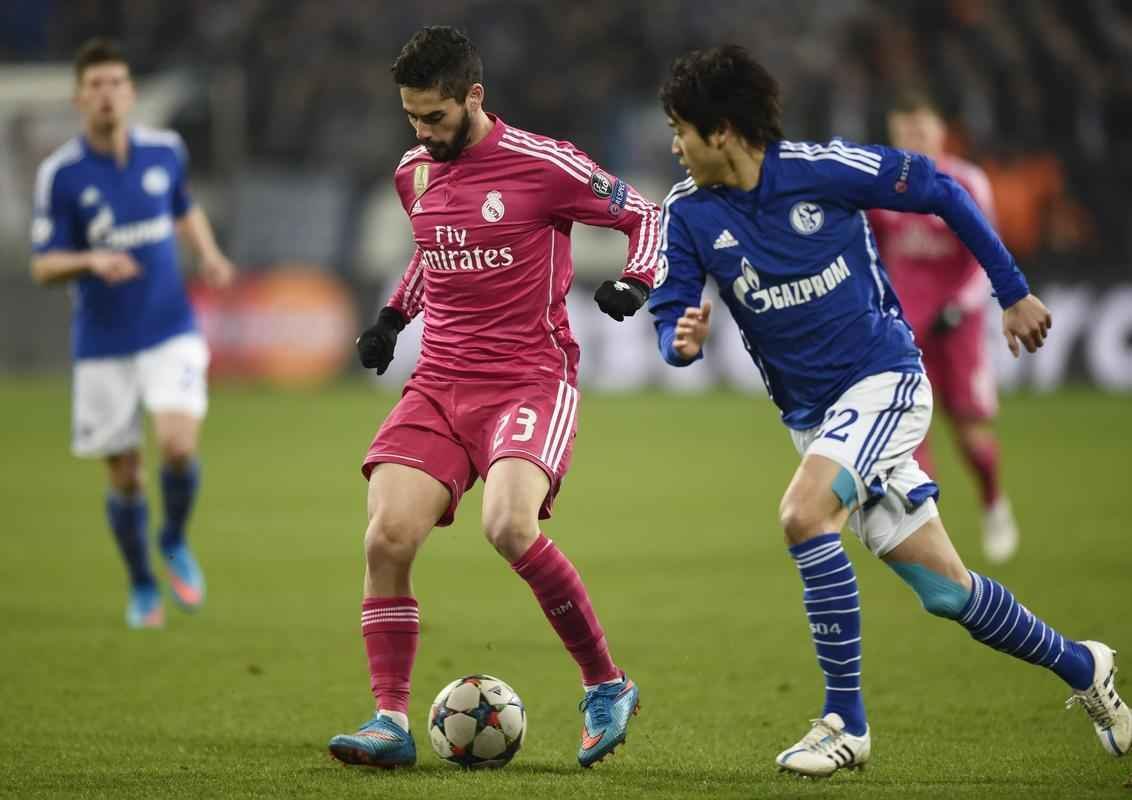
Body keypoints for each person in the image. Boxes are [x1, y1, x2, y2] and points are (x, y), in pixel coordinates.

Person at [649, 45, 1129, 777]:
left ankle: (845, 721)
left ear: (720, 130)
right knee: (946, 591)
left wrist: (1012, 291)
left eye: (680, 128)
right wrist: (680, 340)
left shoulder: (822, 169)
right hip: (813, 417)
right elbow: (669, 313)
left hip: (884, 381)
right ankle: (1082, 667)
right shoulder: (686, 215)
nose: (672, 145)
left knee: (804, 515)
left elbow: (943, 190)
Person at [327, 26, 654, 770]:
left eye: (435, 117)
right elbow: (434, 252)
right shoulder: (412, 171)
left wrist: (638, 279)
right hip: (439, 384)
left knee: (507, 526)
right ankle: (389, 720)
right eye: (411, 118)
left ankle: (607, 684)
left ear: (474, 97)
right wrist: (392, 316)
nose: (423, 133)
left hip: (529, 380)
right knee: (385, 539)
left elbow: (645, 213)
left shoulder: (544, 163)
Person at [30, 38, 234, 628]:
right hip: (102, 343)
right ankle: (142, 582)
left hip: (169, 327)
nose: (107, 94)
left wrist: (210, 254)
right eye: (95, 86)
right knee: (124, 472)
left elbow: (183, 206)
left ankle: (172, 539)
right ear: (79, 99)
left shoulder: (165, 150)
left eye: (116, 83)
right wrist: (91, 262)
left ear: (131, 92)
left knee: (177, 444)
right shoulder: (62, 175)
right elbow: (43, 265)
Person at [868, 92, 1019, 563]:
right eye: (905, 131)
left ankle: (994, 502)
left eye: (922, 130)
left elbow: (985, 251)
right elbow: (868, 251)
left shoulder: (966, 180)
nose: (914, 139)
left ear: (940, 131)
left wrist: (959, 305)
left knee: (971, 432)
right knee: (912, 436)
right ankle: (934, 541)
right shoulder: (878, 183)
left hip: (959, 328)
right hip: (904, 330)